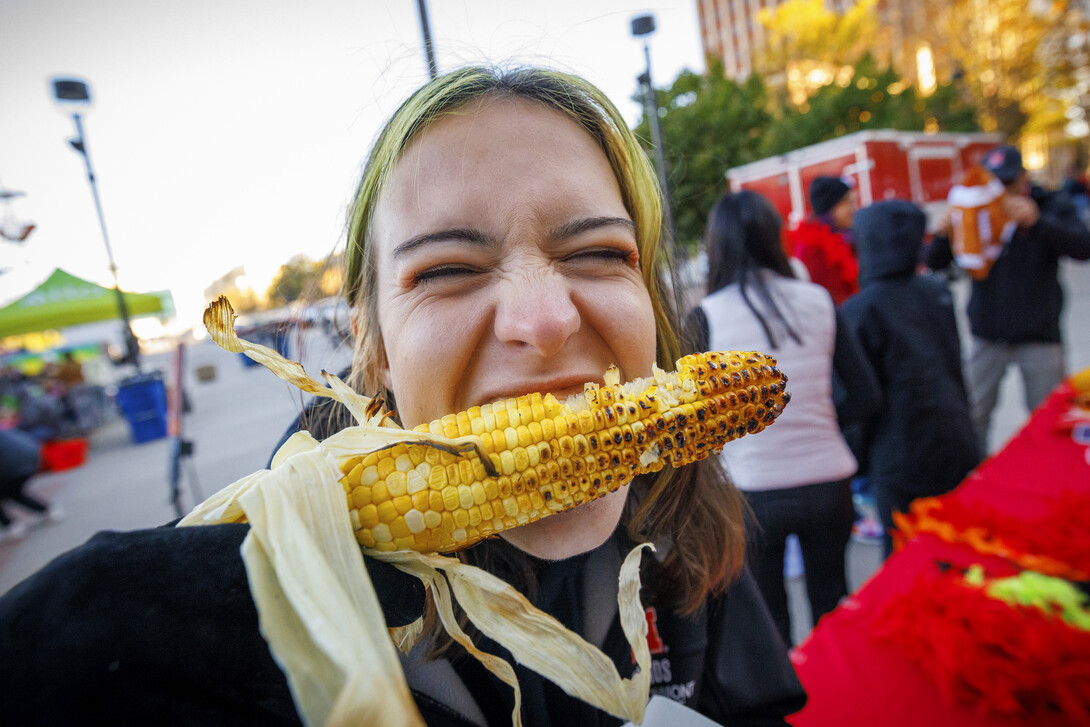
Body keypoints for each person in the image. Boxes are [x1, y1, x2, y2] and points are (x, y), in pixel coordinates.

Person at [0, 66, 806, 726]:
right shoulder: (234, 645)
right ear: (374, 344)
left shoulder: (691, 513)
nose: (546, 321)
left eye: (599, 251)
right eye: (447, 269)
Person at [686, 190, 881, 647]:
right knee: (833, 608)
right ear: (776, 237)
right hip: (829, 484)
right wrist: (823, 419)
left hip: (753, 494)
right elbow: (868, 395)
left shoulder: (706, 317)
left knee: (770, 623)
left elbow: (692, 422)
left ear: (717, 245)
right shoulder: (818, 299)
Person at [926, 145, 1090, 454]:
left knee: (1049, 420)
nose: (1000, 190)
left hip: (1039, 335)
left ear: (1023, 178)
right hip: (987, 335)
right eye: (995, 181)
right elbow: (935, 263)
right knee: (972, 415)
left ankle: (1049, 486)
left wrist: (1038, 222)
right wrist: (943, 234)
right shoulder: (973, 209)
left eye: (1008, 181)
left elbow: (1083, 247)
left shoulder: (1048, 202)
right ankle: (976, 482)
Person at [839, 201, 981, 557]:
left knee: (906, 558)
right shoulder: (936, 291)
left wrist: (858, 457)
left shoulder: (860, 310)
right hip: (955, 435)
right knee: (961, 545)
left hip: (899, 450)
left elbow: (861, 396)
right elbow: (953, 363)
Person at [786, 176, 860, 306]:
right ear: (830, 207)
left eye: (853, 202)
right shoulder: (812, 249)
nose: (854, 208)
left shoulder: (847, 237)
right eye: (847, 202)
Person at [0, 428, 61, 542]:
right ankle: (47, 510)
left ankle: (11, 527)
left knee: (9, 492)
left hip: (13, 465)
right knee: (12, 492)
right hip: (30, 455)